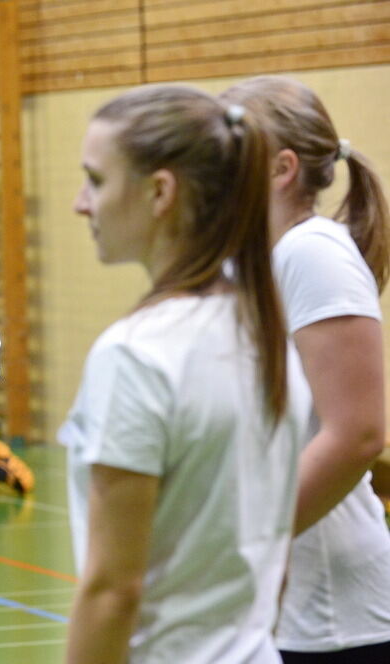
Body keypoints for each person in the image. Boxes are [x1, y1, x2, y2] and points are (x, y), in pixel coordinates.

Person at [60, 85, 311, 663]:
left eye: (96, 180)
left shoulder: (138, 354)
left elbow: (112, 592)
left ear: (160, 192)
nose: (81, 203)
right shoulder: (266, 336)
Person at [222, 75, 390, 662]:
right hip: (279, 607)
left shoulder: (311, 250)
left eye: (228, 151)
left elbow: (360, 432)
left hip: (335, 617)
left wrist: (244, 545)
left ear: (280, 168)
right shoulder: (252, 263)